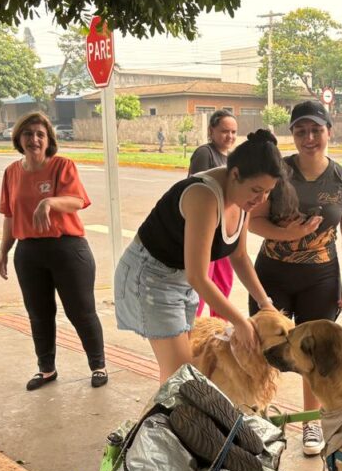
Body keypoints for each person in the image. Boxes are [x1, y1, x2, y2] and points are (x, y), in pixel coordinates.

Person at [114, 129, 281, 383]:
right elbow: (198, 277)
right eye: (257, 190)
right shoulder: (204, 196)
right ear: (234, 174)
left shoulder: (244, 199)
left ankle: (171, 418)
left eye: (268, 191)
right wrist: (240, 322)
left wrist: (265, 303)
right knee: (181, 376)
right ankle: (163, 421)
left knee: (182, 369)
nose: (261, 199)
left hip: (181, 278)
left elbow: (239, 256)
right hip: (150, 277)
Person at [247, 100, 342, 455]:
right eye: (300, 131)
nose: (309, 137)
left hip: (321, 278)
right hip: (272, 276)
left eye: (316, 130)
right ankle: (259, 416)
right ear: (292, 135)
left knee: (314, 353)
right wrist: (290, 236)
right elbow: (253, 221)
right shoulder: (278, 173)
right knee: (264, 347)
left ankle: (313, 423)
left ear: (329, 131)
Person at [0, 112, 107, 391]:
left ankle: (99, 365)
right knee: (38, 313)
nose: (34, 139)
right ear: (19, 138)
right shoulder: (11, 172)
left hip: (67, 249)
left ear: (48, 140)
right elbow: (9, 216)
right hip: (29, 252)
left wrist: (49, 202)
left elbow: (77, 200)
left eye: (40, 134)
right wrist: (3, 252)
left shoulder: (62, 166)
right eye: (28, 134)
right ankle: (46, 369)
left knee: (80, 311)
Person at [188, 109, 239, 319]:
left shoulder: (233, 158)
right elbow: (196, 190)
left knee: (222, 285)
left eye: (234, 132)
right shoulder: (204, 154)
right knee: (202, 288)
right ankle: (195, 333)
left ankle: (218, 333)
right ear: (212, 131)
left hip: (225, 233)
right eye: (224, 131)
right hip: (206, 233)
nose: (230, 136)